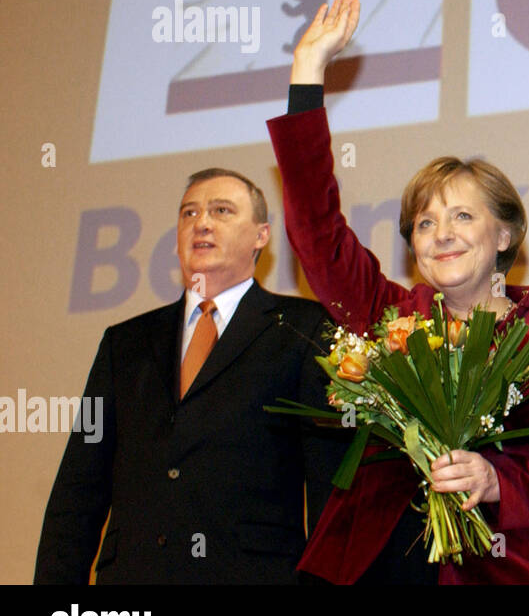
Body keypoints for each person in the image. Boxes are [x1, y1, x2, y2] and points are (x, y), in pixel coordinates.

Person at [266, 0, 529, 585]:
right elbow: (317, 234)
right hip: (378, 566)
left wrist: (496, 480)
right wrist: (307, 75)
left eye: (462, 218)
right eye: (425, 224)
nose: (442, 236)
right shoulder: (391, 319)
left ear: (505, 232)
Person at [35, 169, 338, 584]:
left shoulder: (302, 330)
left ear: (261, 235)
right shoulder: (123, 343)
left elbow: (329, 492)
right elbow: (77, 490)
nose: (202, 223)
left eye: (222, 210)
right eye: (189, 213)